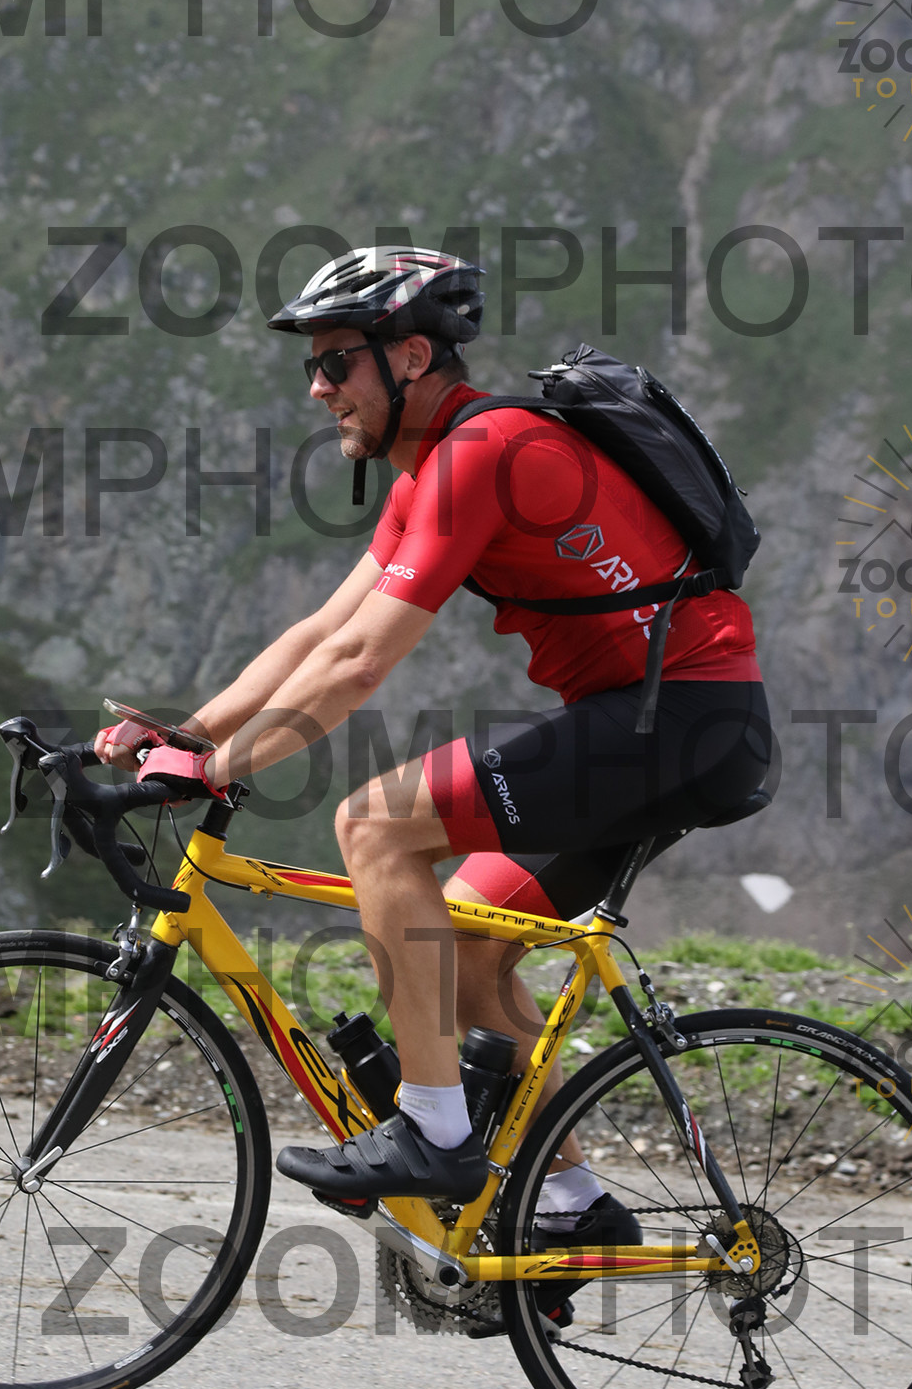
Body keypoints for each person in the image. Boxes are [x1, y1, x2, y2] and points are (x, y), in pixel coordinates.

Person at [96, 248, 771, 1255]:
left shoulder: (483, 452)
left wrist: (220, 770)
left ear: (410, 356)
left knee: (376, 827)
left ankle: (435, 1130)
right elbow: (323, 631)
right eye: (313, 367)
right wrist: (189, 734)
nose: (318, 388)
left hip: (678, 720)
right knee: (461, 945)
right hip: (659, 723)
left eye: (337, 363)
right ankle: (569, 1204)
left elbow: (360, 663)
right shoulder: (435, 466)